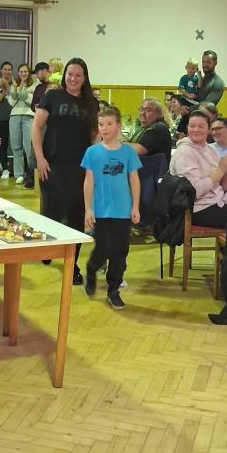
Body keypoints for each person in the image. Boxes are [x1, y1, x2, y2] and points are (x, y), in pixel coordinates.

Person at [32, 57, 99, 284]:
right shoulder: (53, 96)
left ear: (84, 78)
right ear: (64, 75)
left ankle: (72, 264)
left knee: (75, 215)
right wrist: (40, 158)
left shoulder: (91, 103)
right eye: (70, 74)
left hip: (79, 166)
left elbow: (94, 136)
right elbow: (37, 126)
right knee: (51, 210)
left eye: (78, 75)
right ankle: (49, 248)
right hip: (52, 163)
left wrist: (94, 165)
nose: (73, 78)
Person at [81, 106, 141, 310]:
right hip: (101, 210)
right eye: (101, 124)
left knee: (120, 251)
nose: (104, 128)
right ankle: (91, 268)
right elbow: (88, 181)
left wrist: (135, 206)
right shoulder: (92, 152)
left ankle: (113, 290)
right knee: (104, 248)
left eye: (109, 124)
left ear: (118, 126)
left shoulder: (128, 152)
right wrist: (88, 208)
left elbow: (134, 180)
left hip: (123, 211)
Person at [169, 109, 227, 227]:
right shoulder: (185, 152)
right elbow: (194, 192)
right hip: (198, 208)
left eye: (201, 126)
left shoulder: (211, 149)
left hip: (217, 201)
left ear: (209, 129)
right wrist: (220, 170)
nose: (196, 130)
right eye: (192, 126)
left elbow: (224, 186)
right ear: (187, 128)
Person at [7, 63, 36, 185]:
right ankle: (18, 174)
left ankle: (31, 174)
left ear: (29, 73)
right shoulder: (14, 85)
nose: (23, 74)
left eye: (25, 71)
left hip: (29, 116)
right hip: (14, 116)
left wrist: (22, 88)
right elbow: (11, 102)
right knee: (16, 147)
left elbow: (31, 101)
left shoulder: (34, 85)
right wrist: (15, 89)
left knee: (28, 147)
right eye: (21, 72)